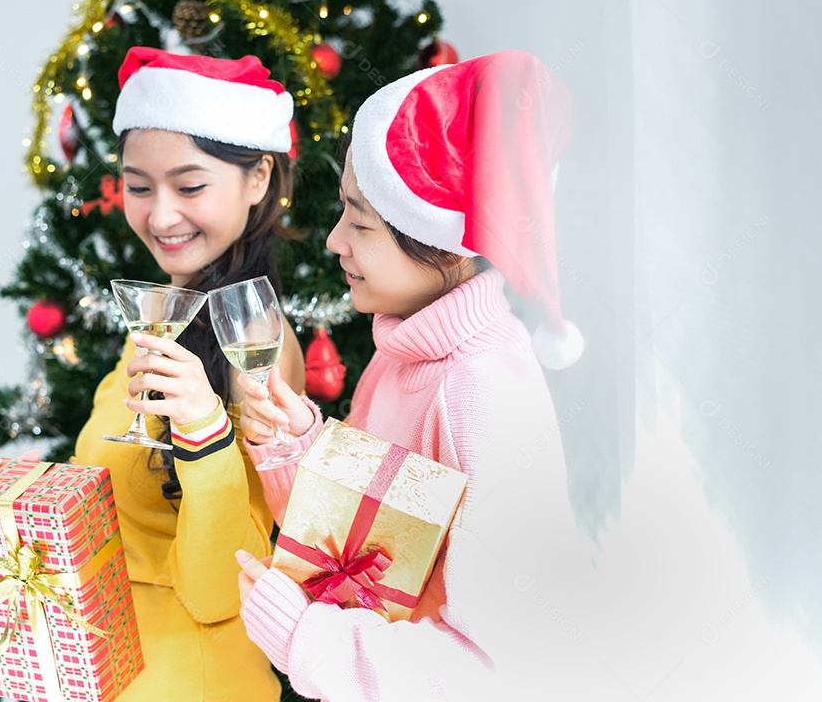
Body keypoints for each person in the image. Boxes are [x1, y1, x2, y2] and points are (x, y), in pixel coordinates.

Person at [234, 50, 597, 701]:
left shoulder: (483, 393)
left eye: (360, 222)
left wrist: (306, 640)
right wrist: (302, 446)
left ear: (445, 247)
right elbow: (383, 543)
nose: (334, 241)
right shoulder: (407, 345)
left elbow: (499, 671)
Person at [0, 47, 305, 701]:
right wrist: (6, 492)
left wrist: (205, 429)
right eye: (139, 187)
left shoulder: (259, 350)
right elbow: (124, 514)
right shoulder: (160, 324)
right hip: (111, 672)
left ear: (258, 178)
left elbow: (223, 591)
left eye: (189, 187)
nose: (160, 216)